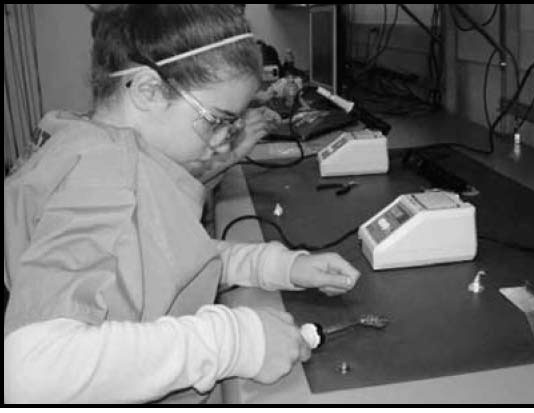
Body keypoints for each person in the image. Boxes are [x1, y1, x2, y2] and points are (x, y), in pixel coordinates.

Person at [3, 5, 360, 404]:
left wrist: (277, 265)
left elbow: (160, 258)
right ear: (148, 91)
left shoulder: (99, 145)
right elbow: (33, 370)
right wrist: (233, 341)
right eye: (217, 119)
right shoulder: (101, 173)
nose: (227, 139)